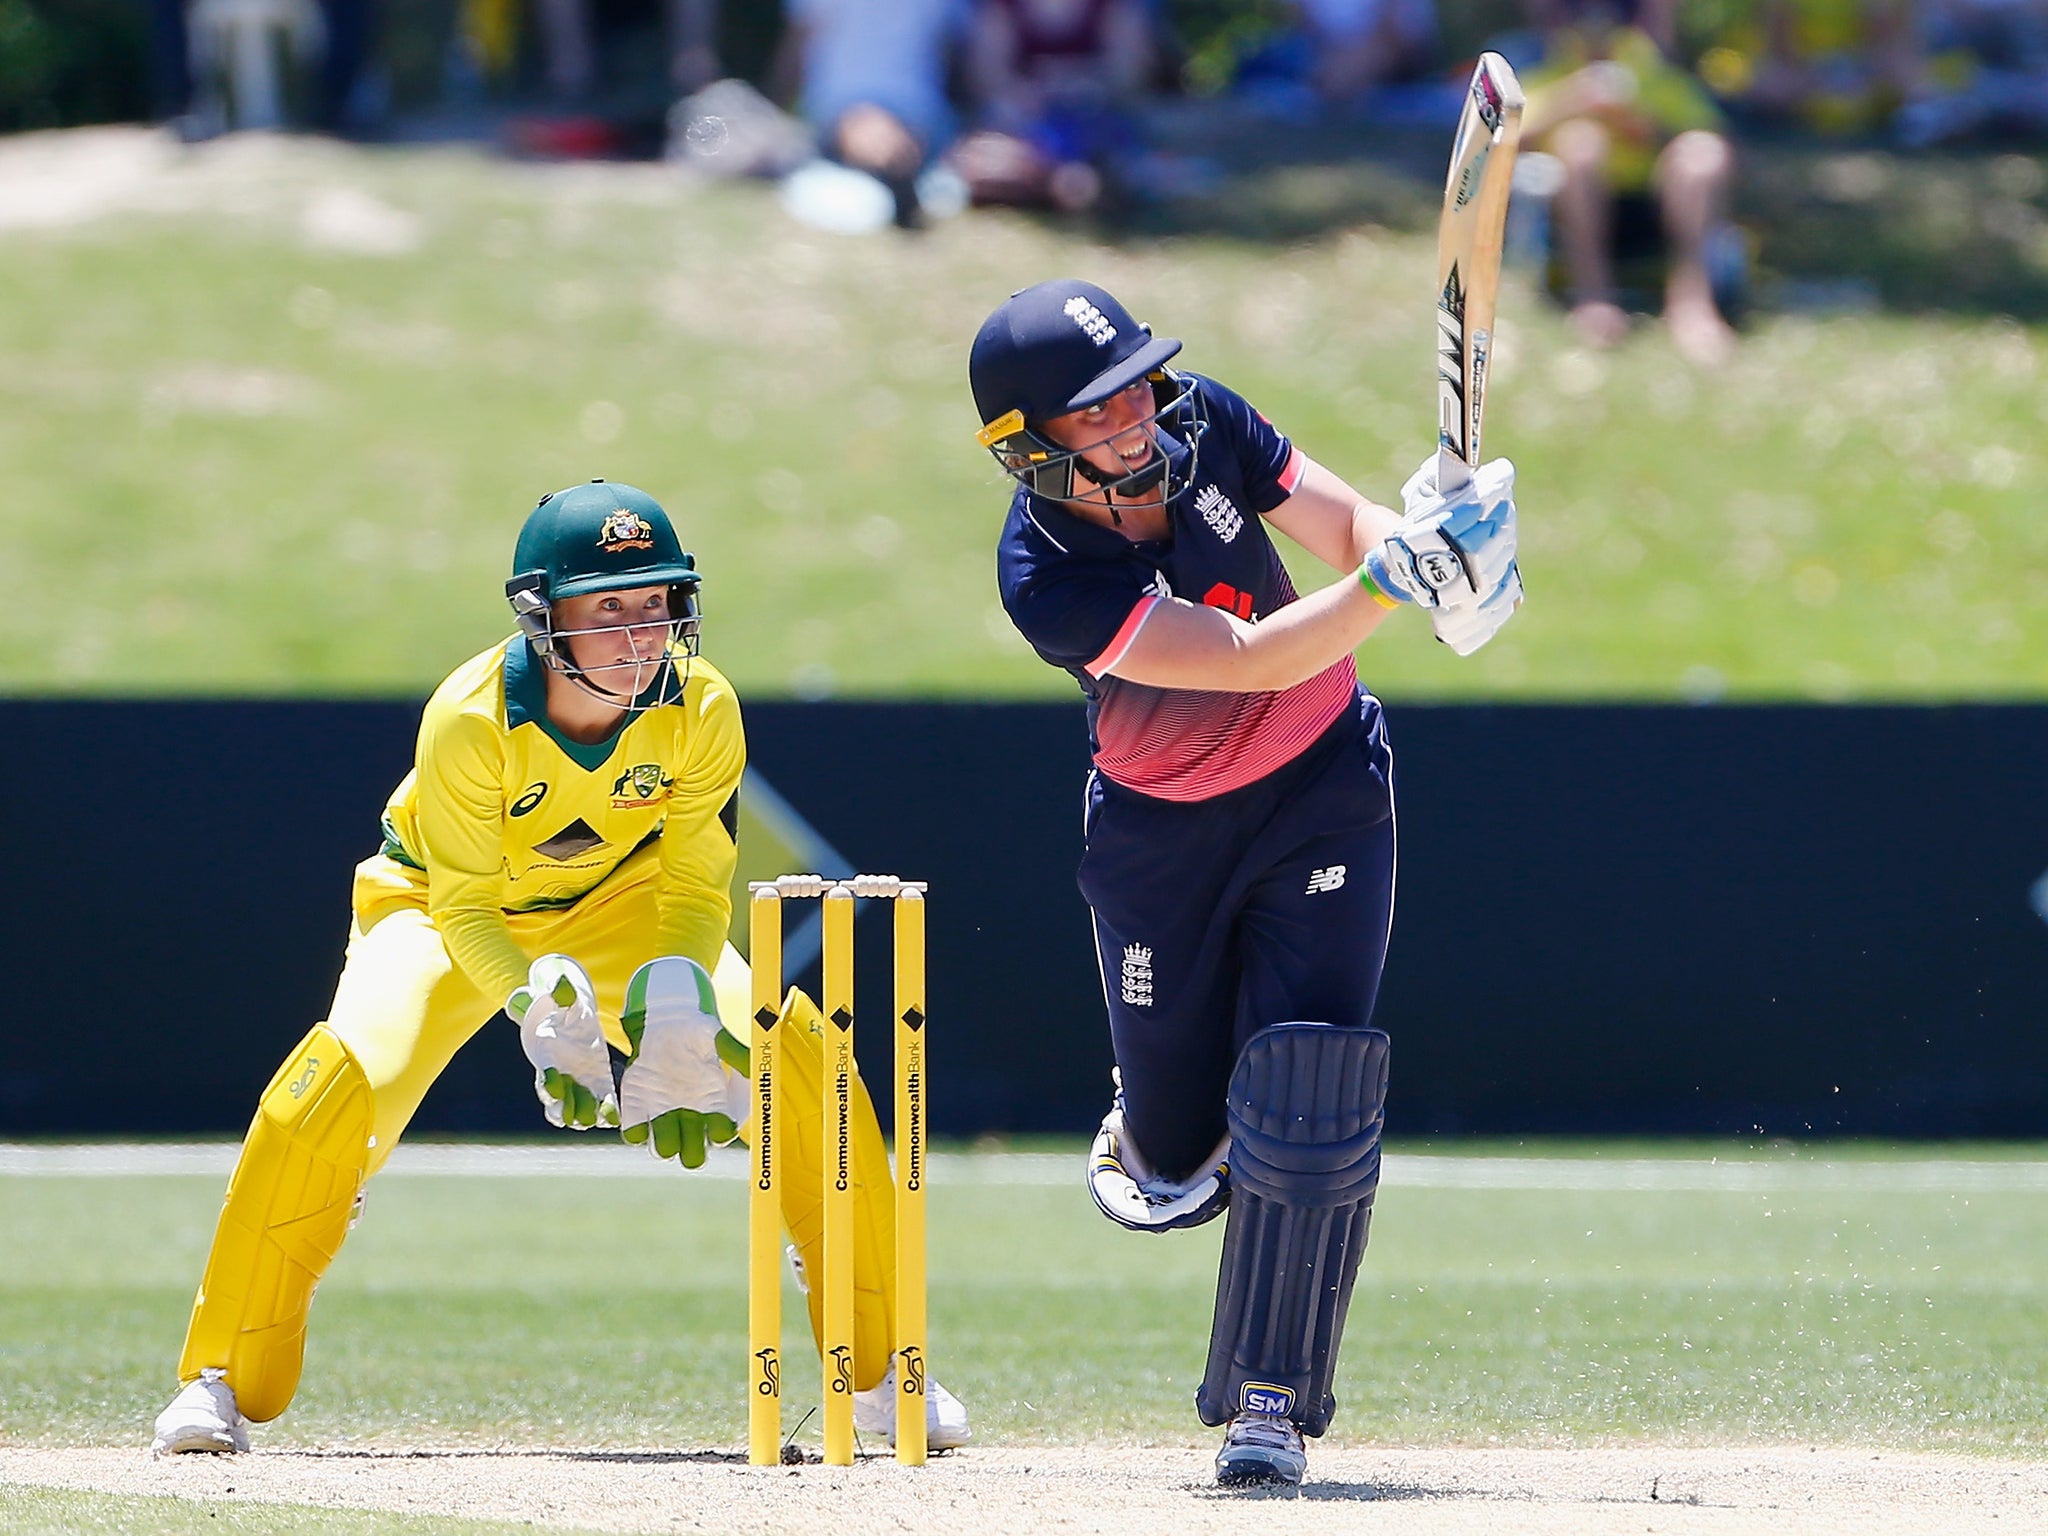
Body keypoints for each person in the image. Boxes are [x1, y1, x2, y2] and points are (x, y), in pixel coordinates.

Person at [151, 480, 968, 1456]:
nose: (639, 635)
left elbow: (696, 884)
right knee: (329, 1093)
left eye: (656, 604)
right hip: (443, 912)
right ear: (544, 618)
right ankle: (219, 1382)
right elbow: (459, 907)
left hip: (627, 904)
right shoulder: (470, 717)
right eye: (608, 608)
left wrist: (674, 1005)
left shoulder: (700, 706)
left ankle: (878, 1376)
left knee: (800, 1065)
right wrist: (535, 1004)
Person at [968, 280, 1519, 1487]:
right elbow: (1250, 657)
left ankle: (1266, 1402)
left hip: (1322, 781)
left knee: (1308, 1085)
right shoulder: (1043, 575)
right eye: (1091, 411)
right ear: (1026, 447)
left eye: (1134, 386)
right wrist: (1397, 583)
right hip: (1161, 837)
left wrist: (1442, 557)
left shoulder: (1203, 420)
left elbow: (1344, 527)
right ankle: (1159, 1122)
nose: (1131, 417)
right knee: (1170, 1165)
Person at [1522, 0, 1740, 365]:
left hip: (1655, 207)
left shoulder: (1650, 75)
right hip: (1571, 215)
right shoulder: (1549, 75)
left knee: (1701, 154)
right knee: (1580, 145)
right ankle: (1594, 300)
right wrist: (1571, 103)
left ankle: (1692, 305)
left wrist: (1644, 125)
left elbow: (1721, 143)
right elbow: (1499, 148)